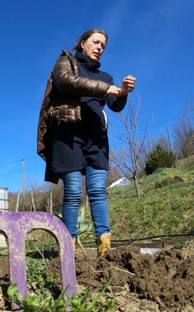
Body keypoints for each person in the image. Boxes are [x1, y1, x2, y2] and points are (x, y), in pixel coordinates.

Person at [36, 28, 136, 257]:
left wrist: (123, 93)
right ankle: (69, 246)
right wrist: (105, 89)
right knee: (72, 192)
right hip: (68, 137)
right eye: (95, 42)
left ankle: (104, 245)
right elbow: (65, 82)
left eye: (103, 45)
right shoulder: (66, 63)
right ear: (82, 43)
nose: (99, 47)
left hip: (97, 139)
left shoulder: (106, 77)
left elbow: (114, 105)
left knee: (98, 191)